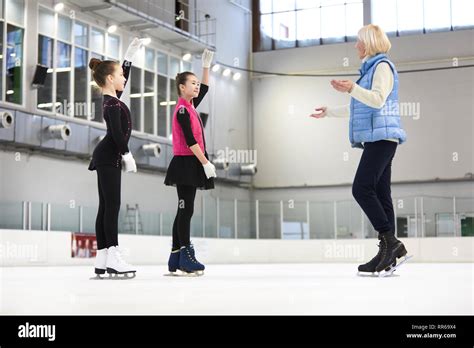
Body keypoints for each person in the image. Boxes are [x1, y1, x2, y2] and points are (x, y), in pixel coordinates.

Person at [310, 24, 409, 276]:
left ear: (369, 42)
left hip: (383, 137)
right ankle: (388, 250)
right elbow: (360, 107)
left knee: (361, 188)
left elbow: (377, 100)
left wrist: (351, 88)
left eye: (358, 41)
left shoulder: (382, 67)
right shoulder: (370, 70)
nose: (356, 46)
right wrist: (330, 111)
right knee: (380, 192)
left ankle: (390, 242)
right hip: (379, 138)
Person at [88, 37, 144, 279]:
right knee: (112, 206)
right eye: (120, 74)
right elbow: (116, 133)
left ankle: (102, 256)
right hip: (109, 156)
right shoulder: (111, 105)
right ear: (110, 78)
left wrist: (128, 58)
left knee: (106, 206)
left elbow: (122, 79)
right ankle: (113, 254)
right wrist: (128, 154)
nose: (124, 78)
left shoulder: (113, 99)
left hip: (107, 157)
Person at [164, 49, 217, 276]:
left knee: (183, 209)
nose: (196, 87)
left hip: (190, 163)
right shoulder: (183, 110)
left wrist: (206, 67)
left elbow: (205, 88)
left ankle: (176, 255)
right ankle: (185, 255)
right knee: (186, 210)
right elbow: (190, 140)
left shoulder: (191, 106)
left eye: (197, 83)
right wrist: (205, 162)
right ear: (182, 88)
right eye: (192, 83)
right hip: (187, 163)